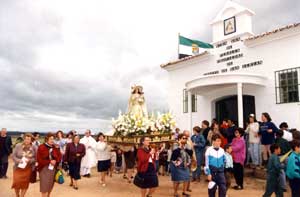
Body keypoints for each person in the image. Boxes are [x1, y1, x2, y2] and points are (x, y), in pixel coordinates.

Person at [37, 132, 62, 197]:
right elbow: (39, 159)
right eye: (50, 139)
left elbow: (59, 156)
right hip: (44, 169)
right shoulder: (41, 147)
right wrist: (49, 161)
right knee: (44, 186)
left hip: (53, 169)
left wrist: (56, 161)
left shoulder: (55, 147)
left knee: (50, 185)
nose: (52, 140)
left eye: (53, 139)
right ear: (46, 139)